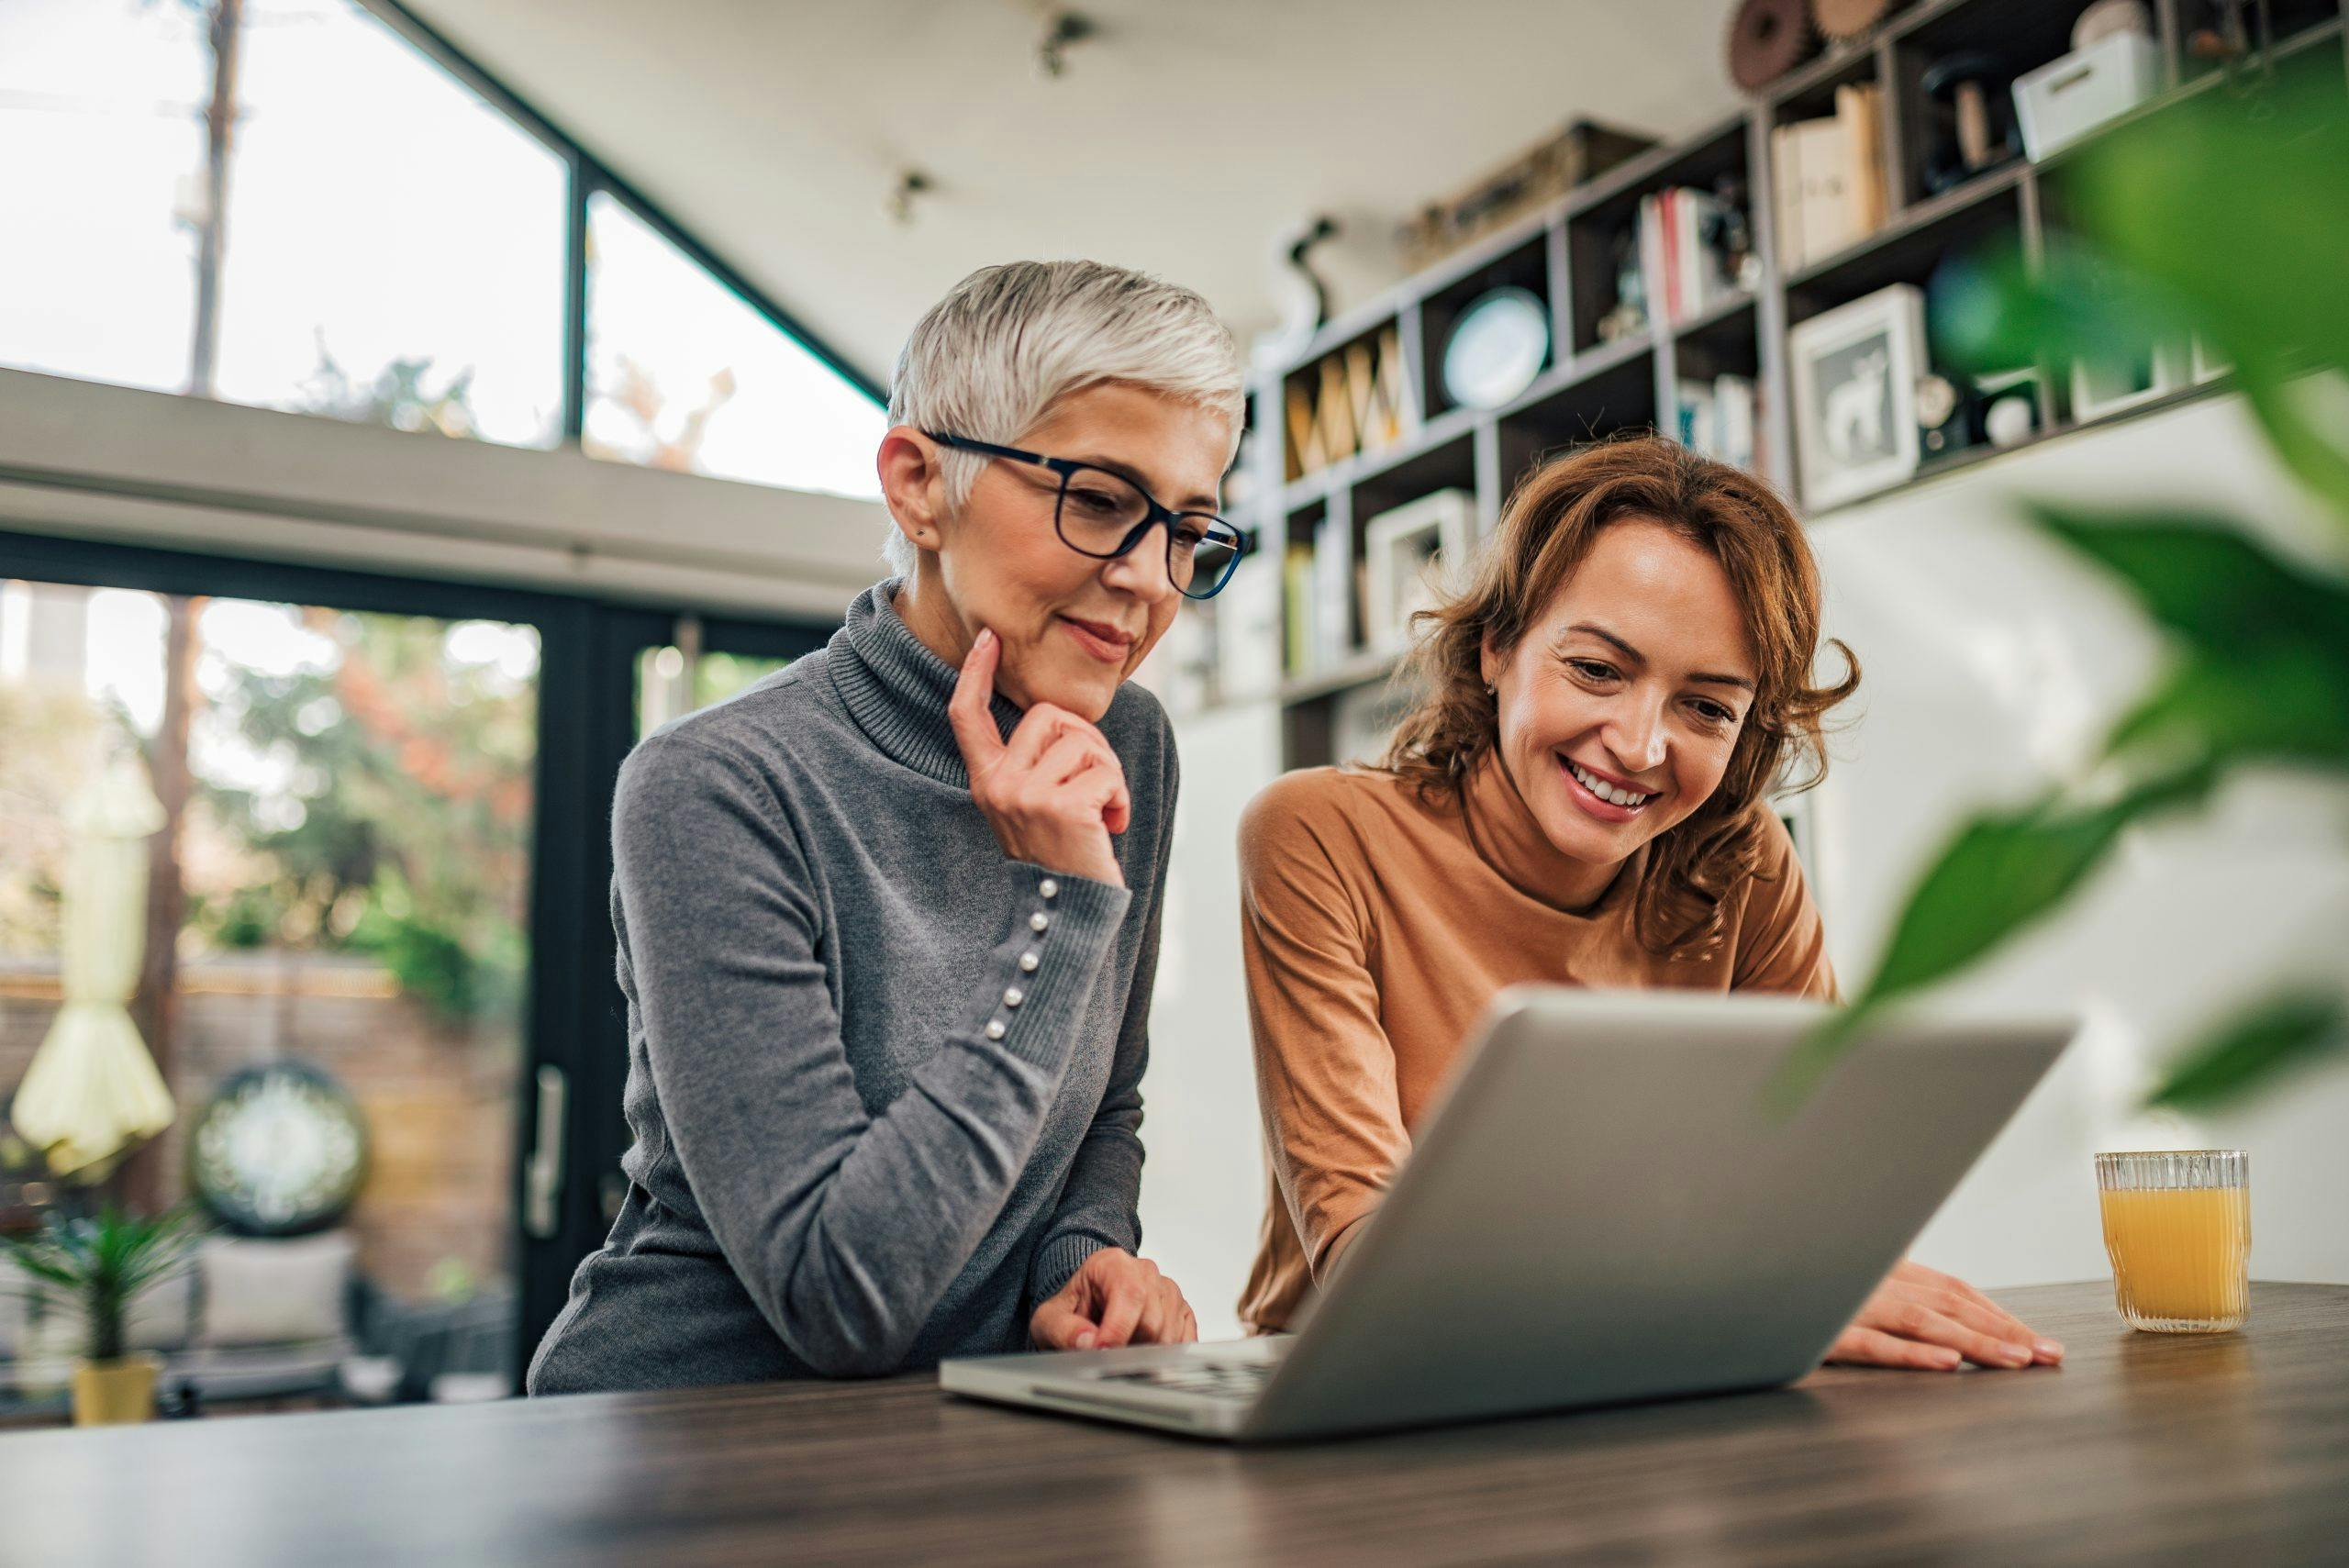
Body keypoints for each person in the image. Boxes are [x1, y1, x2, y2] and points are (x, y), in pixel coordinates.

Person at [529, 260, 1248, 1391]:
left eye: (1188, 528)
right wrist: (1062, 911)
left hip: (962, 1426)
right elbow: (839, 1296)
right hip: (691, 1431)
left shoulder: (1128, 744)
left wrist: (1082, 1254)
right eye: (1101, 501)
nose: (1149, 578)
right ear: (917, 485)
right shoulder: (715, 783)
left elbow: (1102, 1103)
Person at [1237, 435, 2065, 1373]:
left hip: (1668, 1362)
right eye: (1596, 669)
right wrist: (1751, 1291)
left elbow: (1820, 1206)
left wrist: (1801, 1285)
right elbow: (1368, 1262)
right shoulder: (1319, 833)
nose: (1638, 746)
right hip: (1363, 1388)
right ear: (1496, 646)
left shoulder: (1742, 859)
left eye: (1705, 707)